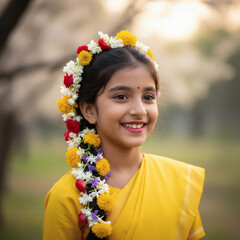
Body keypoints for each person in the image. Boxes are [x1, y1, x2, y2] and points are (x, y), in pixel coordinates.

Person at [43, 30, 205, 240]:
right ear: (89, 110)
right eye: (121, 96)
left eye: (148, 96)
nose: (139, 110)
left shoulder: (179, 181)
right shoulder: (68, 197)